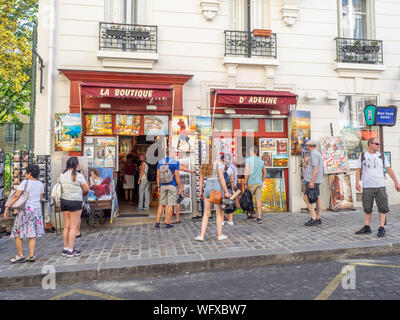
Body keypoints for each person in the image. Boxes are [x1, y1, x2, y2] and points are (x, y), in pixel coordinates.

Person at [355, 138, 400, 237]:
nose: (379, 146)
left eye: (379, 144)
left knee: (383, 207)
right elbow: (358, 170)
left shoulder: (382, 156)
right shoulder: (363, 156)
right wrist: (357, 182)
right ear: (370, 144)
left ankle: (381, 227)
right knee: (367, 207)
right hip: (367, 185)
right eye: (377, 144)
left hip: (380, 185)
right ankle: (367, 227)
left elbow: (389, 170)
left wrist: (396, 182)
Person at [4, 165, 44, 263]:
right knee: (32, 233)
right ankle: (31, 256)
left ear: (29, 173)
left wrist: (7, 207)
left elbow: (16, 195)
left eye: (26, 172)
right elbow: (40, 198)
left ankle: (20, 255)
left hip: (25, 211)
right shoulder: (40, 184)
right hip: (36, 211)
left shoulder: (25, 182)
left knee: (18, 232)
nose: (25, 174)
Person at [195, 146, 231, 241]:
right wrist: (226, 191)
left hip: (207, 188)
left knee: (206, 214)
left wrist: (201, 192)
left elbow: (201, 179)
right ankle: (220, 235)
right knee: (219, 213)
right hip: (217, 188)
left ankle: (201, 235)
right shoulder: (218, 163)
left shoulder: (204, 164)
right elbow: (221, 178)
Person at [59, 157, 89, 258]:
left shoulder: (62, 174)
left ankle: (65, 248)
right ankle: (71, 250)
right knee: (73, 226)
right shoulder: (78, 175)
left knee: (66, 226)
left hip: (64, 200)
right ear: (76, 165)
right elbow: (86, 189)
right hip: (75, 201)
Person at [155, 147, 182, 228]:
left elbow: (158, 175)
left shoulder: (160, 162)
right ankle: (167, 223)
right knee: (169, 204)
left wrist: (158, 186)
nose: (175, 154)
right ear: (171, 153)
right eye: (174, 152)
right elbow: (177, 176)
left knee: (161, 204)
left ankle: (157, 222)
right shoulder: (175, 162)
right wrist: (180, 186)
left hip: (162, 185)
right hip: (172, 185)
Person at [303, 140, 324, 226]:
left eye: (307, 146)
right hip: (316, 180)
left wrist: (311, 181)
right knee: (317, 199)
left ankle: (313, 217)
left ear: (309, 146)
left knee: (306, 198)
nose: (307, 147)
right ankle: (318, 218)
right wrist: (307, 161)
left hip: (313, 181)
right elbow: (312, 167)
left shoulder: (314, 154)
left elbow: (315, 169)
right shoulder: (316, 153)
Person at [244, 146, 267, 224]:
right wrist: (262, 181)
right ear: (256, 152)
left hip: (250, 182)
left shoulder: (248, 160)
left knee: (249, 199)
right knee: (258, 200)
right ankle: (259, 217)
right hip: (258, 183)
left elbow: (246, 172)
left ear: (251, 151)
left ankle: (252, 214)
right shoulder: (261, 161)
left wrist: (245, 182)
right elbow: (265, 172)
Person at [221, 154, 235, 226]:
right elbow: (232, 181)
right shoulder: (230, 169)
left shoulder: (220, 168)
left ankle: (222, 220)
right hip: (228, 189)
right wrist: (232, 190)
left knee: (223, 204)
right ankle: (230, 220)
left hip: (221, 189)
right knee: (229, 204)